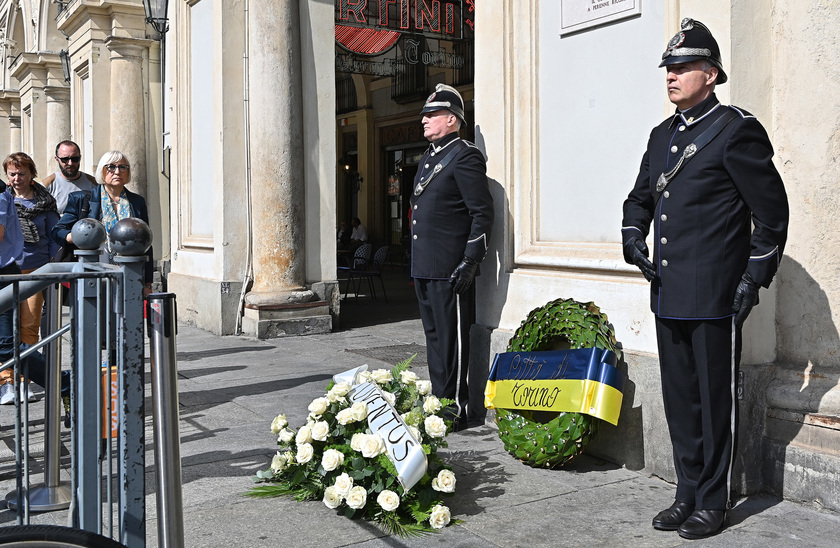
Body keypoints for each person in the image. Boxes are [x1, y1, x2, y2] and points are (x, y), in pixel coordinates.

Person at [621, 19, 789, 539]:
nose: (671, 76)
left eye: (682, 67)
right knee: (680, 400)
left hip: (716, 296)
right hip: (669, 293)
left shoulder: (735, 130)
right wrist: (632, 235)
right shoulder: (662, 135)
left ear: (710, 74)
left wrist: (753, 278)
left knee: (716, 404)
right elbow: (640, 197)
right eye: (668, 68)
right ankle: (686, 492)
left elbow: (772, 213)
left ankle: (713, 501)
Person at [410, 83, 494, 431]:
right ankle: (439, 399)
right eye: (425, 116)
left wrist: (471, 260)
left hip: (450, 267)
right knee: (434, 338)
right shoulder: (429, 157)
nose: (425, 121)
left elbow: (482, 212)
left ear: (452, 119)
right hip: (425, 265)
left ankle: (455, 407)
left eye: (431, 115)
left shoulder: (465, 155)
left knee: (452, 339)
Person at [0, 153, 59, 403]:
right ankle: (6, 381)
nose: (16, 178)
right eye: (12, 174)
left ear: (32, 174)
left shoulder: (45, 203)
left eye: (21, 173)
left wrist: (54, 268)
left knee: (28, 327)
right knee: (5, 333)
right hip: (9, 269)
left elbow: (54, 236)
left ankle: (24, 380)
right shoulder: (6, 198)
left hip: (35, 270)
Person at [52, 150, 154, 288]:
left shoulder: (137, 201)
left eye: (122, 167)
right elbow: (58, 231)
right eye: (111, 167)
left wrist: (148, 283)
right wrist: (77, 237)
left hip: (130, 273)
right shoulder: (81, 199)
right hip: (93, 272)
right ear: (102, 170)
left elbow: (145, 243)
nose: (117, 172)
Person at [41, 140, 96, 215]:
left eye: (75, 159)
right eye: (65, 159)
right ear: (57, 159)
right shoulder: (47, 185)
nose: (70, 163)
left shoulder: (93, 184)